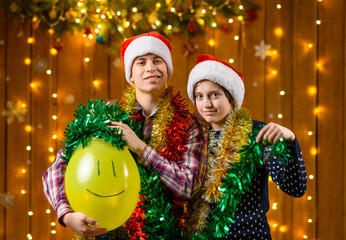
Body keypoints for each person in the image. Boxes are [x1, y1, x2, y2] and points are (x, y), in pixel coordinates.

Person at [42, 32, 207, 239]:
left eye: (157, 61)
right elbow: (57, 167)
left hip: (163, 232)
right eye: (141, 62)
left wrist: (141, 148)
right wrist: (65, 214)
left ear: (168, 71)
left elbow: (188, 186)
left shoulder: (190, 126)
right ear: (130, 75)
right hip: (108, 229)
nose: (150, 68)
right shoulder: (107, 116)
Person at [185, 54, 307, 239]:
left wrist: (290, 141)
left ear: (231, 98)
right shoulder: (193, 138)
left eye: (214, 95)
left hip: (249, 234)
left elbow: (295, 187)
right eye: (199, 96)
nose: (206, 104)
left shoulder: (256, 134)